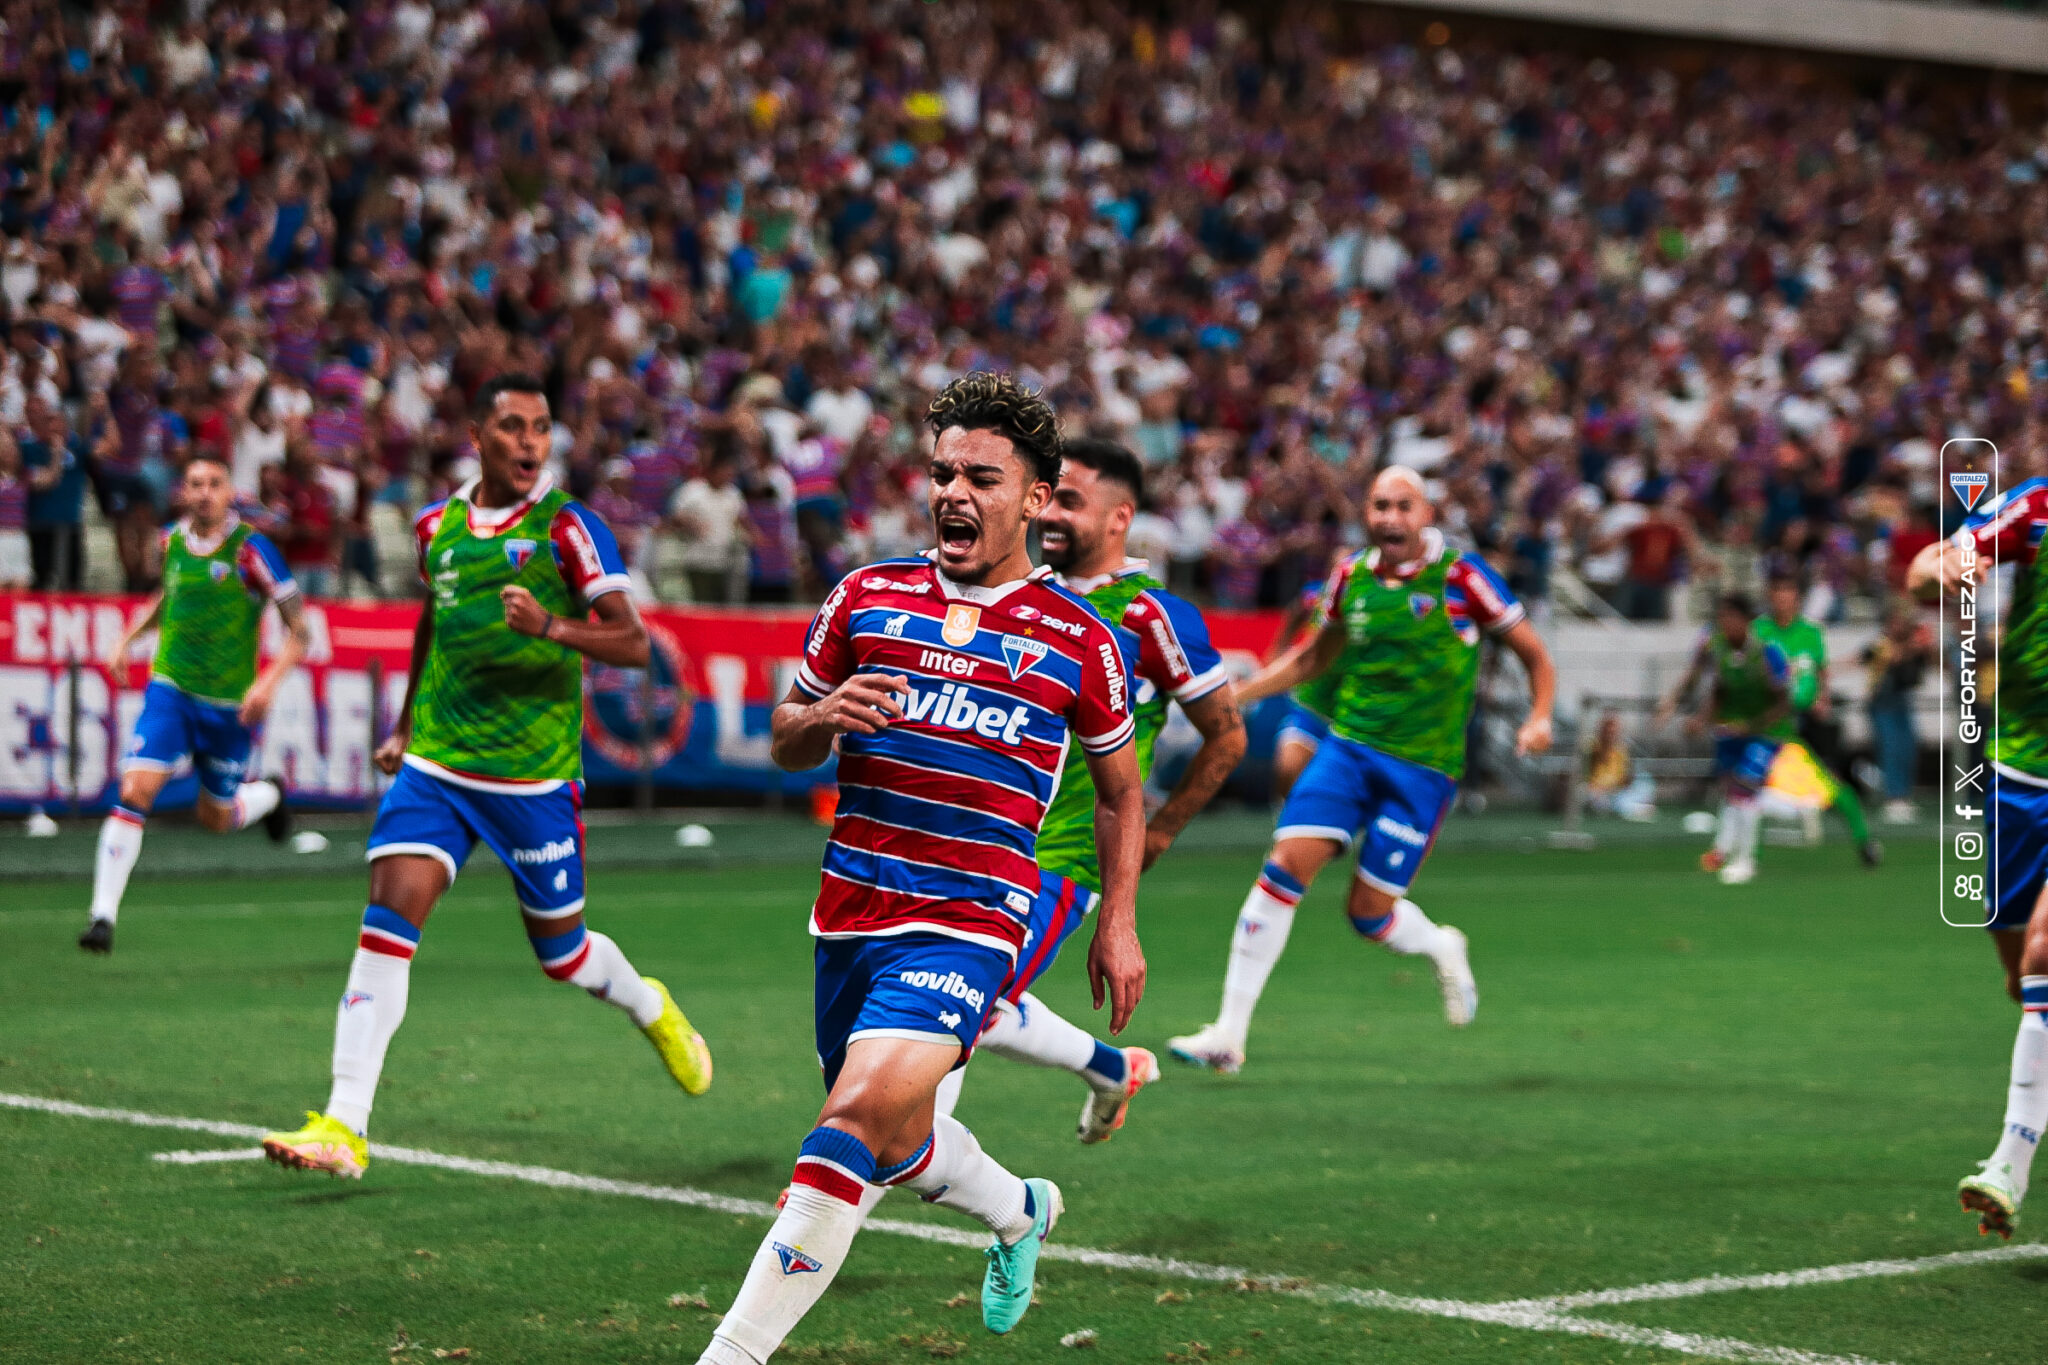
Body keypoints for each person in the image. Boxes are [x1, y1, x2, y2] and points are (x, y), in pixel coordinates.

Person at [697, 373, 1145, 1363]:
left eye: (980, 477)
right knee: (895, 1148)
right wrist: (816, 718)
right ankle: (1019, 1209)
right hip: (848, 915)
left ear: (1035, 498)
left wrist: (1115, 923)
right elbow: (782, 734)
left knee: (849, 1122)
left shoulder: (1081, 640)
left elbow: (1119, 793)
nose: (951, 493)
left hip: (970, 920)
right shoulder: (864, 594)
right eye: (942, 472)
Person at [260, 375, 712, 1179]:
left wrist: (550, 625)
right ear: (478, 435)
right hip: (437, 763)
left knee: (563, 955)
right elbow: (433, 623)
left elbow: (635, 643)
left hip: (531, 780)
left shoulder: (570, 529)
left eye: (541, 427)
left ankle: (649, 1004)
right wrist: (403, 725)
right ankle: (344, 1121)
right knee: (386, 922)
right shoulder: (438, 526)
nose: (531, 442)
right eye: (513, 426)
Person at [1167, 466, 1556, 1074]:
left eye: (1404, 506)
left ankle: (1440, 943)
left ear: (1426, 514)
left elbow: (1532, 651)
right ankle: (1228, 1033)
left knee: (1368, 916)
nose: (1390, 518)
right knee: (1281, 873)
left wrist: (1539, 716)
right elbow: (1314, 657)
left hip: (1423, 769)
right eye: (1380, 506)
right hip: (1349, 750)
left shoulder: (1462, 578)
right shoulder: (1350, 575)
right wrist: (1232, 697)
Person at [977, 436, 1245, 1140]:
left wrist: (1159, 830)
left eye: (1070, 500)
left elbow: (1228, 735)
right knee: (947, 1004)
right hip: (979, 840)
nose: (1050, 514)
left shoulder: (1150, 616)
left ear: (1119, 517)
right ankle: (1107, 1067)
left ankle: (847, 1175)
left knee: (958, 1013)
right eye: (1048, 498)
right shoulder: (1019, 593)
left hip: (1064, 856)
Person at [80, 454, 308, 953]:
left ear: (230, 493)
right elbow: (170, 596)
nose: (204, 492)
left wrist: (266, 684)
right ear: (184, 492)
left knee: (216, 819)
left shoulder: (253, 552)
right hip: (173, 691)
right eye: (195, 484)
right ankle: (102, 918)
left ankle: (268, 794)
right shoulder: (171, 542)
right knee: (136, 788)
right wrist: (128, 638)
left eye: (215, 483)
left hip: (229, 708)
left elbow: (300, 631)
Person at [1907, 483, 2048, 1239]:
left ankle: (2009, 1160)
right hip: (2024, 770)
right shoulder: (2037, 509)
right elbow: (1931, 567)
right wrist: (1942, 570)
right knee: (2017, 969)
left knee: (2044, 952)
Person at [1655, 592, 1792, 887]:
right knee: (1731, 788)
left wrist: (1751, 726)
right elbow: (1714, 687)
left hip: (1766, 732)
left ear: (1746, 621)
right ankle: (1722, 850)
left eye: (1731, 617)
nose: (1725, 624)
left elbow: (1783, 702)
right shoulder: (1718, 648)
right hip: (1731, 729)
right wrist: (1694, 716)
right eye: (1722, 618)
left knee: (1745, 786)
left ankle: (1746, 860)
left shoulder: (1767, 653)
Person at [1751, 574, 1882, 866]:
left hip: (1807, 723)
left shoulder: (1810, 633)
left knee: (1833, 786)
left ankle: (1865, 841)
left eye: (1789, 592)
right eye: (1778, 592)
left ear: (1796, 597)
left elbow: (1820, 671)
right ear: (1770, 596)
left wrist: (1822, 698)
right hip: (1770, 725)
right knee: (1751, 787)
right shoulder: (1759, 631)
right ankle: (1747, 855)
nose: (1784, 599)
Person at [1268, 577, 1337, 802]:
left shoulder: (1383, 608)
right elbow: (1297, 610)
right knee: (1288, 768)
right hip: (1312, 708)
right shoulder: (1318, 596)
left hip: (1357, 716)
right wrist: (1280, 646)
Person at [1862, 605, 1932, 824]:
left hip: (1901, 702)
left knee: (1907, 747)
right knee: (1891, 748)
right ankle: (1893, 796)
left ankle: (1903, 794)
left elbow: (1916, 673)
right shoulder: (1881, 644)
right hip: (1882, 703)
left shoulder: (1911, 646)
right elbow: (1881, 658)